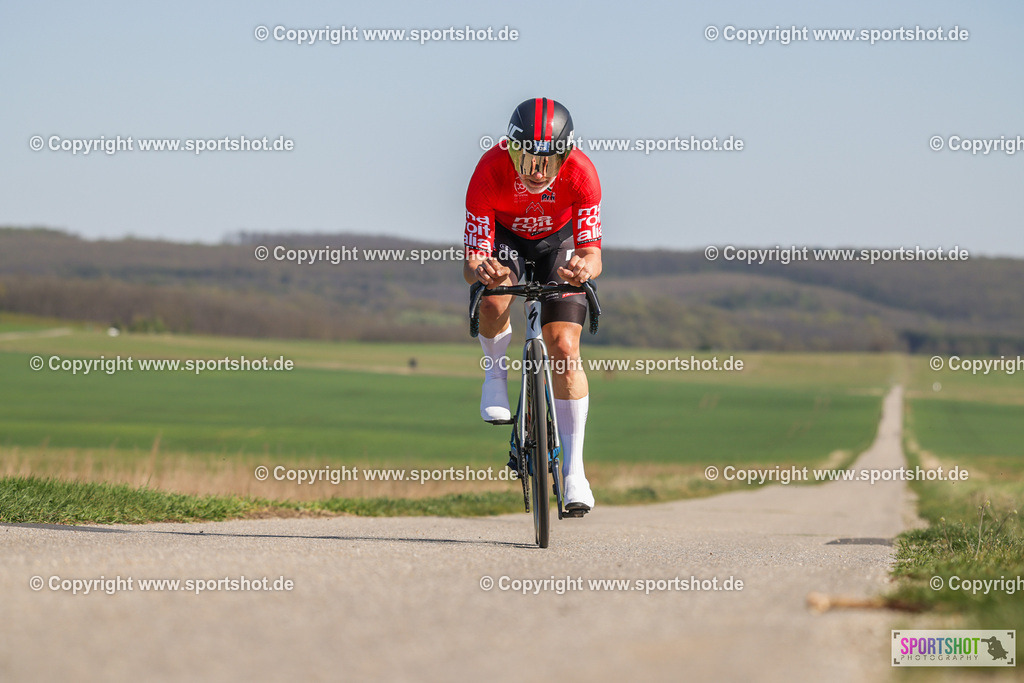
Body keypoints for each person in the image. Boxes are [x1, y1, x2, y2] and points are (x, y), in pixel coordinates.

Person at [462, 97, 603, 513]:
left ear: (565, 156)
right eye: (526, 159)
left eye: (548, 161)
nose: (537, 172)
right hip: (504, 239)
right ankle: (494, 374)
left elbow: (594, 254)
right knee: (494, 297)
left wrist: (584, 267)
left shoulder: (582, 174)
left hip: (556, 245)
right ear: (510, 148)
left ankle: (575, 473)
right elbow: (472, 262)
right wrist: (484, 271)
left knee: (563, 347)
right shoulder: (488, 172)